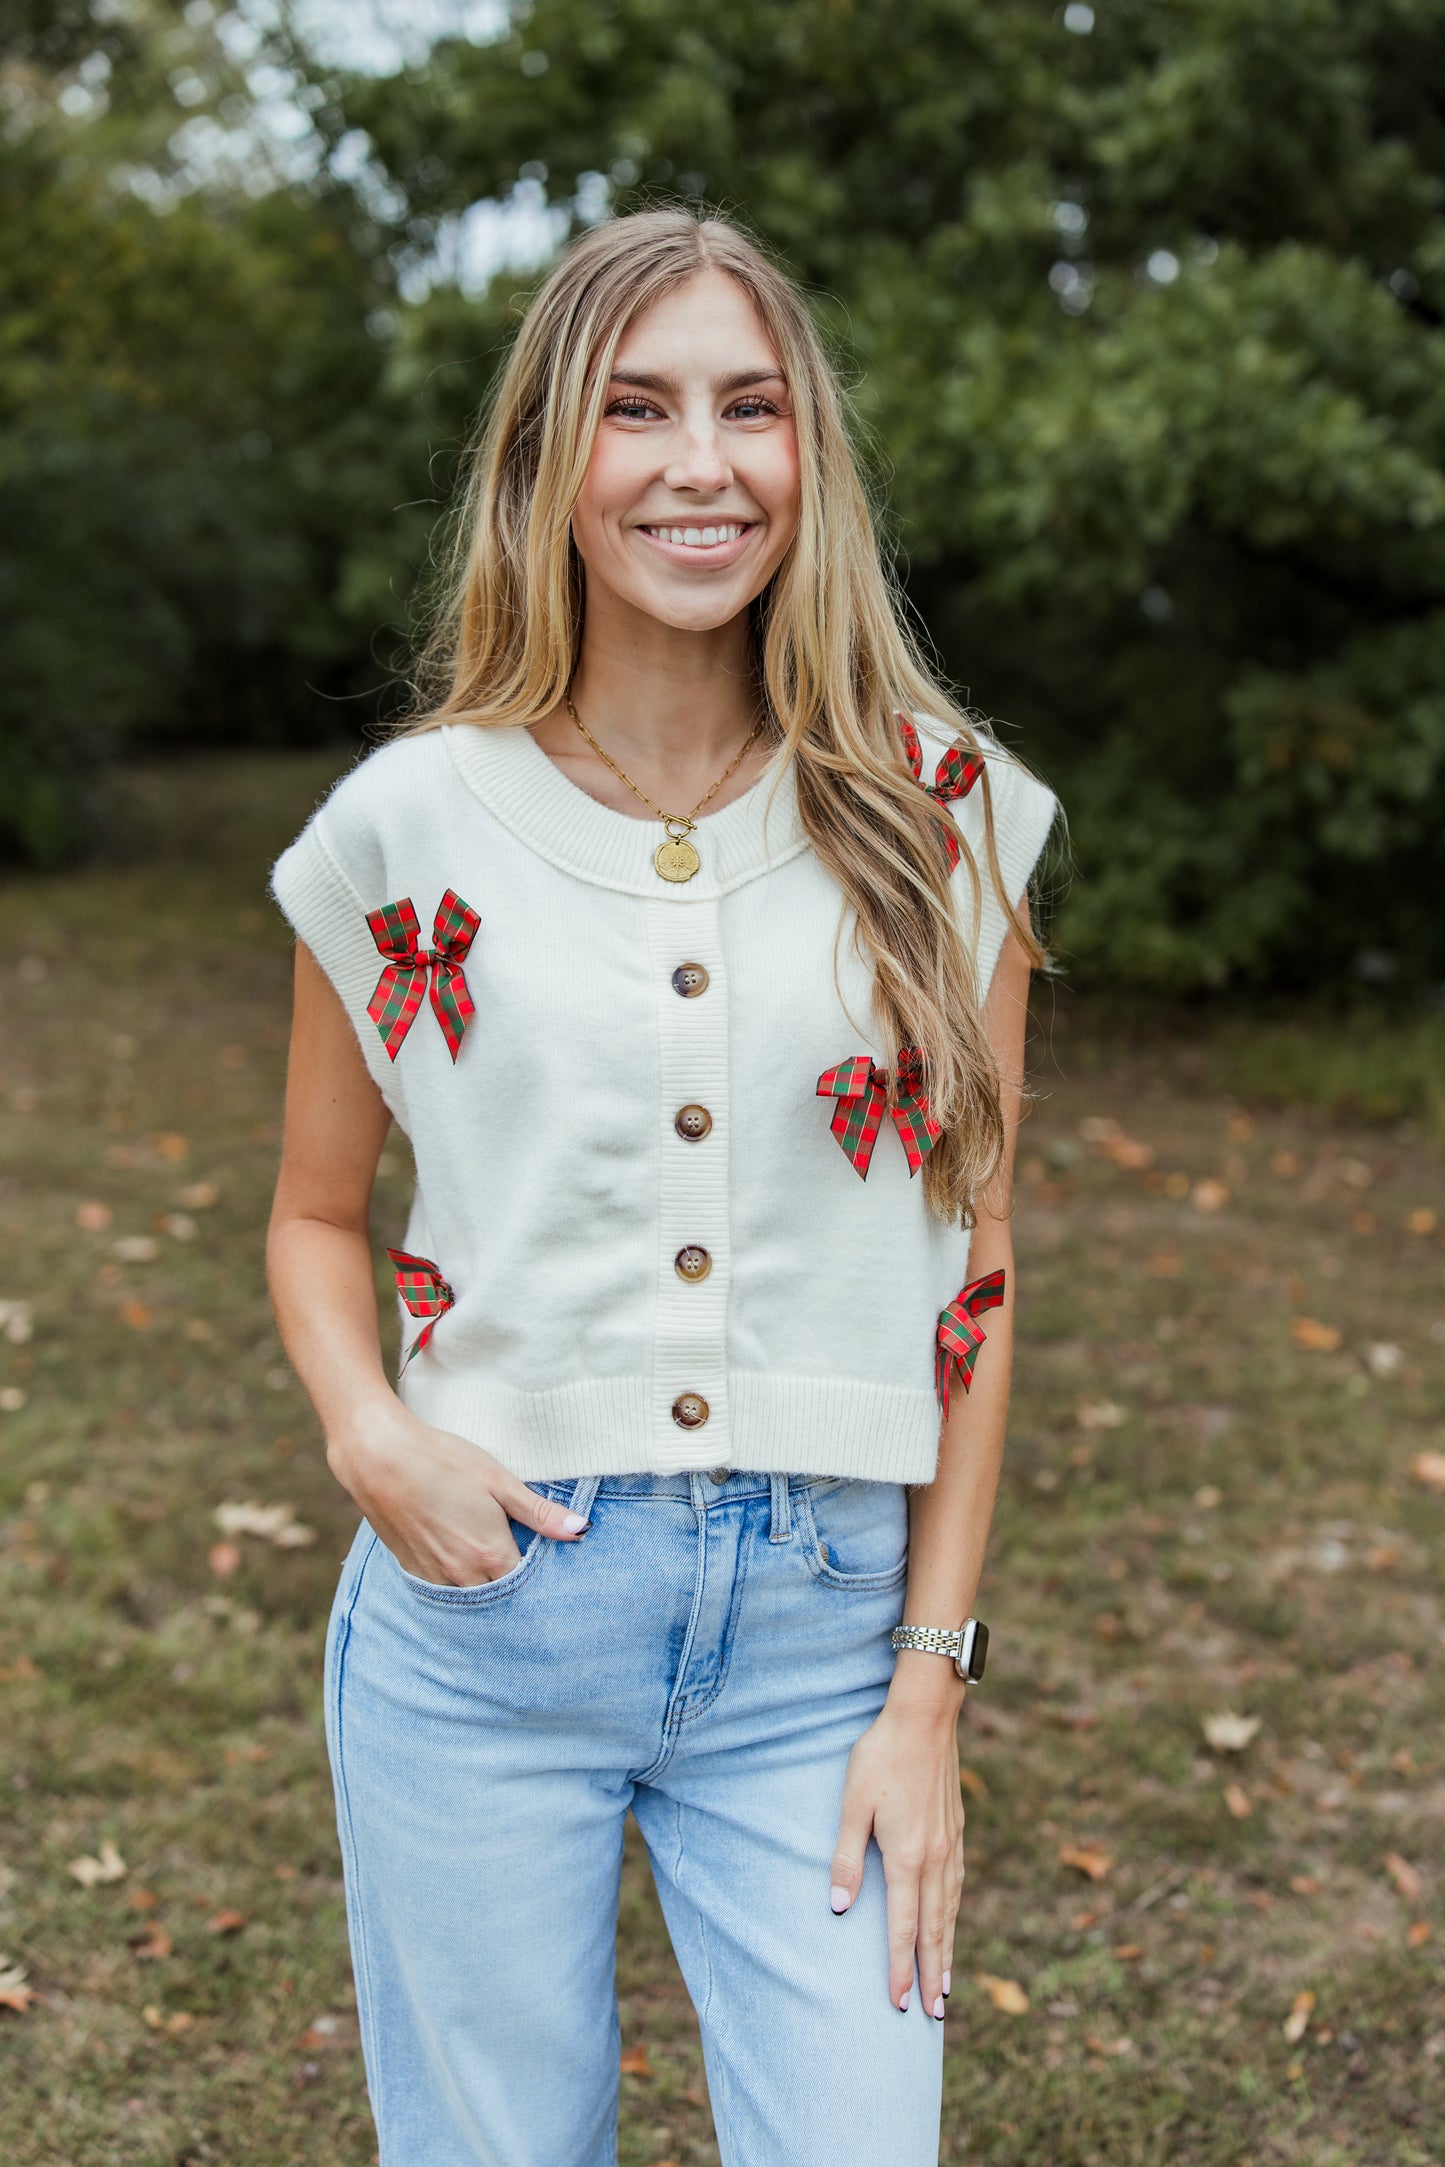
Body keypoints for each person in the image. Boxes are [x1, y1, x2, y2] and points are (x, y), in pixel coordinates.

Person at [266, 206, 1057, 2167]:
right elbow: (307, 1211)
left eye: (749, 408)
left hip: (821, 1638)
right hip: (484, 1626)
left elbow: (981, 1270)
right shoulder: (404, 828)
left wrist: (927, 1694)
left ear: (811, 461)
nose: (700, 462)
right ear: (551, 460)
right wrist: (371, 1433)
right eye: (637, 408)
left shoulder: (941, 814)